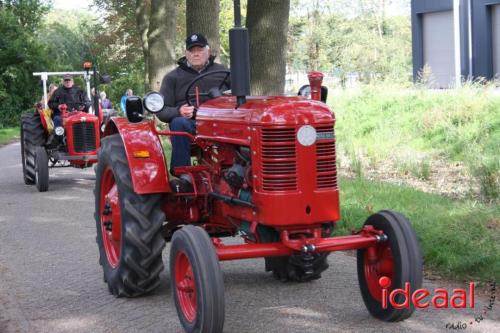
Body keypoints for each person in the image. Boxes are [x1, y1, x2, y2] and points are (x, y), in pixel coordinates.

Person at [157, 32, 229, 192]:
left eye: (200, 49)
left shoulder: (223, 72)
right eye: (192, 50)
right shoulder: (172, 77)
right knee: (178, 122)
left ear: (208, 52)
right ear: (186, 53)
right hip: (191, 124)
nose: (196, 53)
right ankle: (183, 175)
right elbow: (161, 110)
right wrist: (178, 110)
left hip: (221, 122)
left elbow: (238, 95)